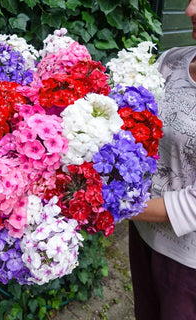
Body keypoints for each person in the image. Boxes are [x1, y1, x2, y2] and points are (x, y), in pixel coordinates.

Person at [128, 1, 196, 319]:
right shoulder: (172, 61)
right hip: (144, 236)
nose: (190, 9)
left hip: (189, 264)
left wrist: (109, 205)